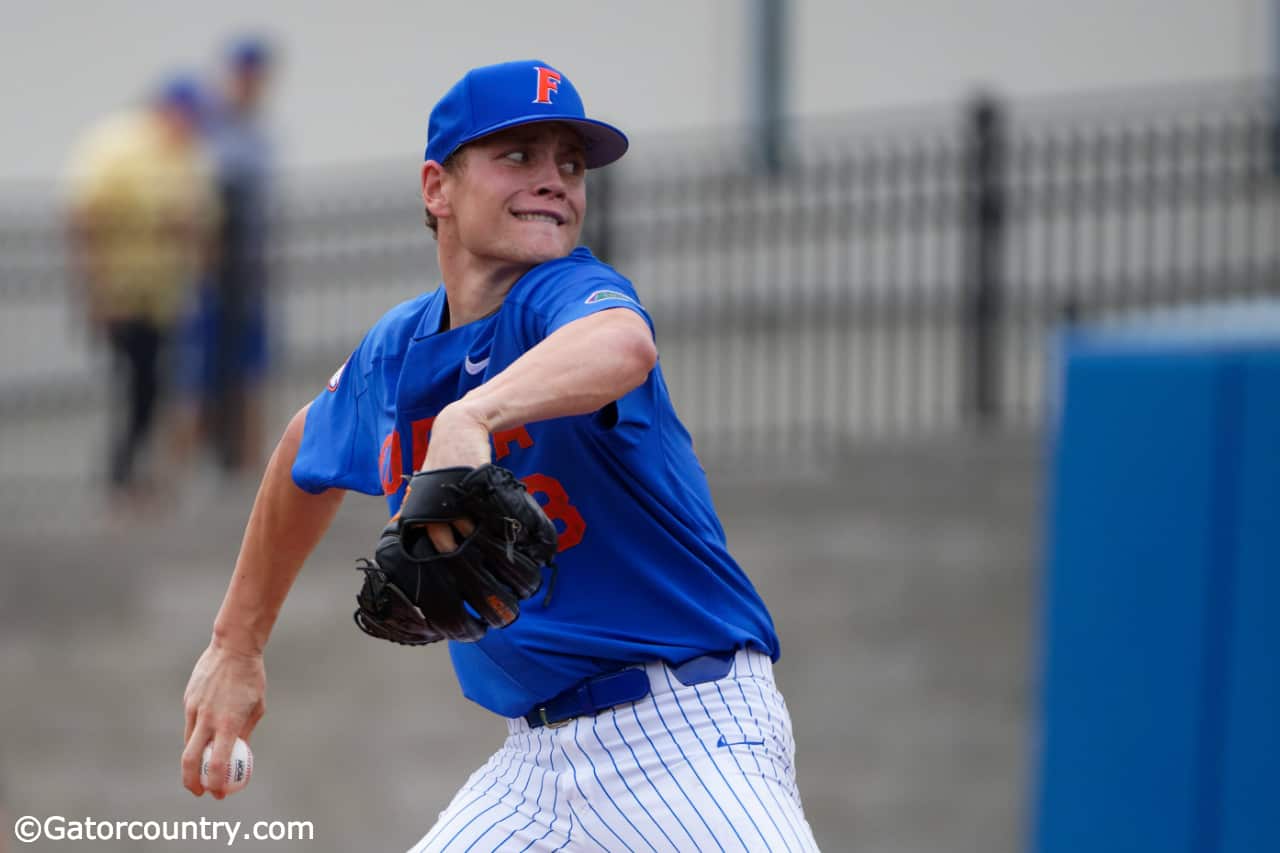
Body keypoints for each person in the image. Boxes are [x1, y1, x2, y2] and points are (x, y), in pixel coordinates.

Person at [181, 59, 820, 851]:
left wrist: (472, 416)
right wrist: (234, 644)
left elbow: (624, 343)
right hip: (537, 765)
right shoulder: (399, 350)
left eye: (571, 163)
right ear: (436, 189)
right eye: (518, 155)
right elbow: (297, 456)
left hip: (690, 735)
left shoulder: (566, 297)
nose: (553, 178)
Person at [66, 75, 219, 499]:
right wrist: (95, 291)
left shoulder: (187, 154)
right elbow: (84, 219)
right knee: (137, 383)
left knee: (153, 383)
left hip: (162, 295)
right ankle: (123, 475)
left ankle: (135, 474)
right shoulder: (118, 146)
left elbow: (200, 220)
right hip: (122, 292)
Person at [176, 36, 275, 476]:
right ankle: (179, 469)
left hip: (245, 269)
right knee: (200, 373)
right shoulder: (209, 130)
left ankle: (250, 466)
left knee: (248, 369)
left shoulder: (255, 131)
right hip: (213, 274)